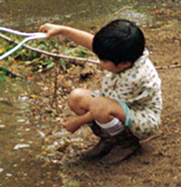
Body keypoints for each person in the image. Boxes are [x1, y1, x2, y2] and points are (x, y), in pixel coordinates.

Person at [39, 18, 163, 165]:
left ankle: (126, 143)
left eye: (103, 60)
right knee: (76, 98)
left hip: (142, 118)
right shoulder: (125, 54)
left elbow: (105, 106)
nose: (99, 62)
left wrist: (77, 122)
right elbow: (91, 42)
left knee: (99, 107)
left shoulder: (136, 77)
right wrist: (62, 30)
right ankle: (109, 138)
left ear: (124, 64)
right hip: (114, 104)